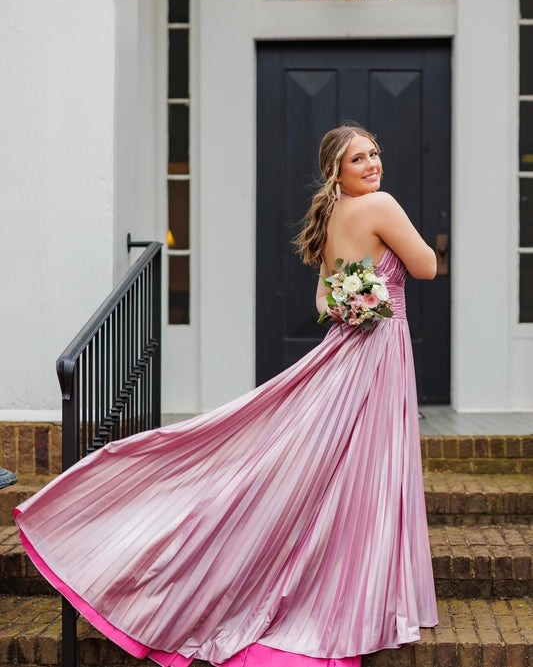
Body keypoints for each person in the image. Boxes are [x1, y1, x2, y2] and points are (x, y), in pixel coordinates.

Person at [14, 123, 438, 667]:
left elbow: (322, 298)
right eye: (359, 158)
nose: (373, 164)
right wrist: (375, 293)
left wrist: (353, 300)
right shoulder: (380, 205)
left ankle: (352, 587)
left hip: (349, 350)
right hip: (378, 351)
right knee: (368, 469)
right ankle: (361, 597)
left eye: (375, 153)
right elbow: (426, 265)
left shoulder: (332, 217)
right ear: (336, 170)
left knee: (337, 467)